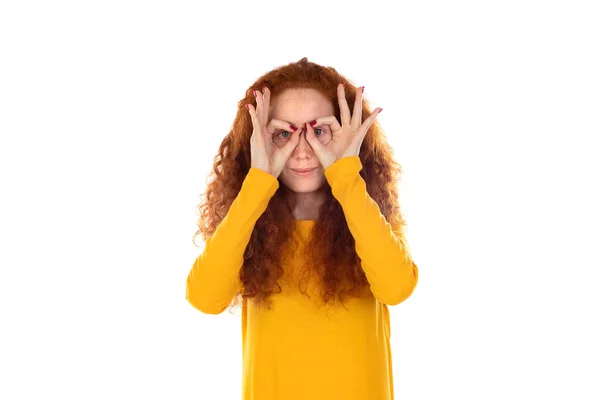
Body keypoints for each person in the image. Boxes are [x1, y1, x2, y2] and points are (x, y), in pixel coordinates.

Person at [186, 57, 419, 400]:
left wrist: (346, 177)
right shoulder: (247, 222)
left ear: (347, 136)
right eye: (284, 133)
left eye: (319, 131)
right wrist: (257, 183)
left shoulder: (367, 215)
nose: (303, 150)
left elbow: (397, 288)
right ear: (259, 141)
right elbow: (205, 298)